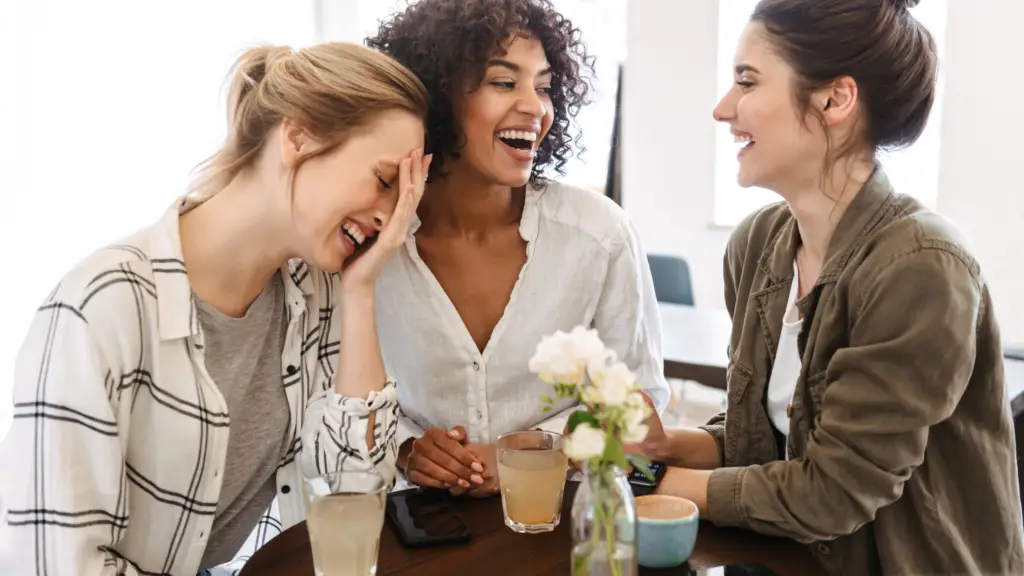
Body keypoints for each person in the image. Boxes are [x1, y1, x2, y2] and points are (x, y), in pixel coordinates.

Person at [0, 42, 467, 575]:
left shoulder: (315, 291)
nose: (393, 220)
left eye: (406, 198)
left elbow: (353, 495)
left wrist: (361, 294)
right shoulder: (100, 306)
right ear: (297, 136)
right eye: (386, 182)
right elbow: (55, 564)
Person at [628, 0, 1024, 573]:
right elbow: (770, 440)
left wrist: (654, 480)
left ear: (835, 99)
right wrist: (671, 446)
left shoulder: (922, 267)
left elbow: (831, 492)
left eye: (747, 81)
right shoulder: (757, 244)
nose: (722, 108)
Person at [365, 0, 670, 496]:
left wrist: (532, 449)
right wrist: (405, 448)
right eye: (504, 82)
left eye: (545, 87)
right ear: (435, 96)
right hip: (417, 531)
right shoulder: (372, 240)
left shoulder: (599, 234)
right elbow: (331, 393)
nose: (535, 107)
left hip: (566, 516)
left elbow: (641, 406)